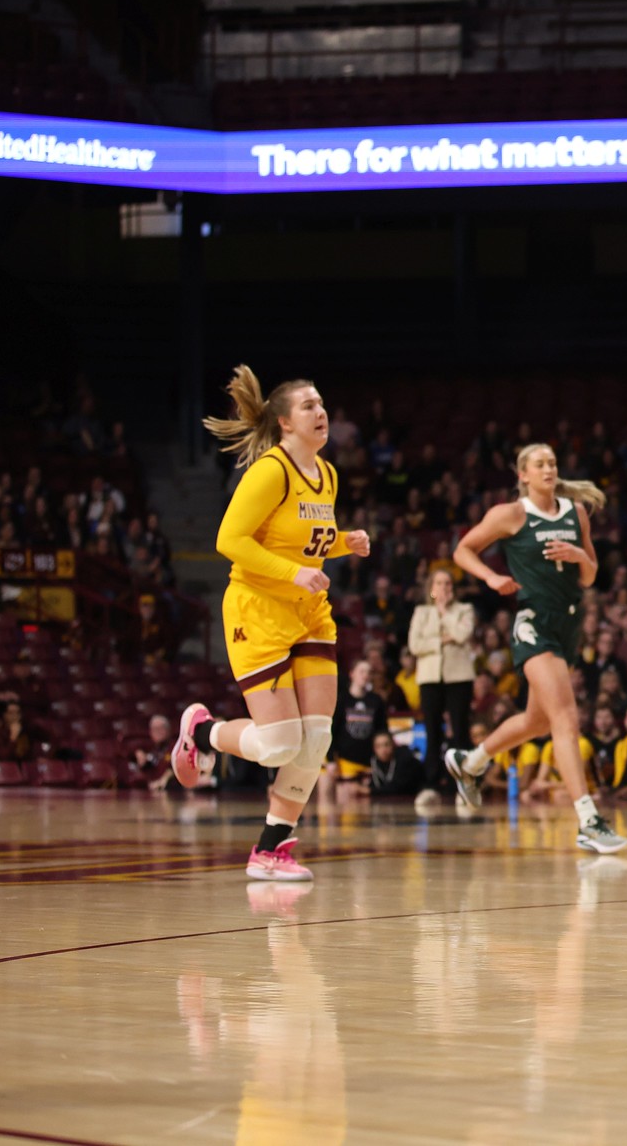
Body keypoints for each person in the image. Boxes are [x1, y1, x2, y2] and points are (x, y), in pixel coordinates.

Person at [171, 368, 371, 883]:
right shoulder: (269, 471)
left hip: (308, 611)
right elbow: (230, 540)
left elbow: (302, 539)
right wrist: (293, 572)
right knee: (280, 744)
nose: (320, 412)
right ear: (284, 422)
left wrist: (342, 542)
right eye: (308, 406)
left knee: (316, 737)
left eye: (321, 403)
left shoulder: (327, 474)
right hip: (257, 608)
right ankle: (203, 731)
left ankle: (270, 848)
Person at [444, 444, 627, 853]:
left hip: (569, 625)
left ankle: (469, 762)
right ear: (523, 474)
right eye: (540, 464)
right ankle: (588, 820)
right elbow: (462, 550)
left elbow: (589, 577)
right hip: (534, 625)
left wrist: (580, 555)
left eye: (552, 463)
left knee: (537, 722)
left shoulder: (575, 512)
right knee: (566, 717)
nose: (549, 469)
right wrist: (491, 578)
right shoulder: (511, 514)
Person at [406, 569, 476, 791]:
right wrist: (442, 641)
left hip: (459, 676)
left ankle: (463, 777)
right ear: (431, 587)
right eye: (439, 583)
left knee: (460, 728)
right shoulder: (421, 612)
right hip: (429, 677)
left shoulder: (464, 609)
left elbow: (462, 635)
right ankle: (432, 779)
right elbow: (414, 645)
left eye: (447, 583)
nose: (444, 587)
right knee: (432, 729)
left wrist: (445, 612)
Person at [366, 731, 423, 798]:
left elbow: (398, 788)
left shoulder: (405, 760)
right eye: (378, 746)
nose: (383, 750)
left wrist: (369, 790)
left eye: (386, 745)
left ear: (393, 745)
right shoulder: (375, 762)